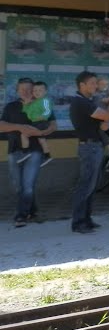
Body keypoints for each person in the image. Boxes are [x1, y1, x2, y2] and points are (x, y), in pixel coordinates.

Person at [1, 77, 57, 227]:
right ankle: (32, 210)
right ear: (17, 90)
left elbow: (53, 125)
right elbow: (1, 126)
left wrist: (44, 132)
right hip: (14, 151)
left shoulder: (41, 104)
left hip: (34, 151)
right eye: (22, 89)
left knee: (27, 185)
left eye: (28, 88)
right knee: (18, 186)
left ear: (34, 90)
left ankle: (21, 215)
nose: (25, 91)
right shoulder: (11, 106)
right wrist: (20, 127)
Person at [69, 70, 109, 234]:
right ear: (82, 85)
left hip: (94, 145)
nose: (96, 86)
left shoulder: (87, 101)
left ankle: (86, 219)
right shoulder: (81, 102)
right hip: (88, 147)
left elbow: (104, 123)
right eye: (92, 83)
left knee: (91, 185)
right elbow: (108, 117)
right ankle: (78, 222)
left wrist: (104, 121)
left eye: (96, 83)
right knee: (85, 186)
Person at [17, 81, 54, 166]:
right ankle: (47, 156)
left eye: (40, 90)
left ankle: (25, 152)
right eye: (35, 90)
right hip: (36, 123)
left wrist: (43, 116)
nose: (37, 92)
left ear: (45, 92)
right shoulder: (34, 102)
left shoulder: (45, 100)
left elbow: (48, 110)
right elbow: (26, 112)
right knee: (41, 140)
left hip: (41, 122)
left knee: (24, 134)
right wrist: (26, 104)